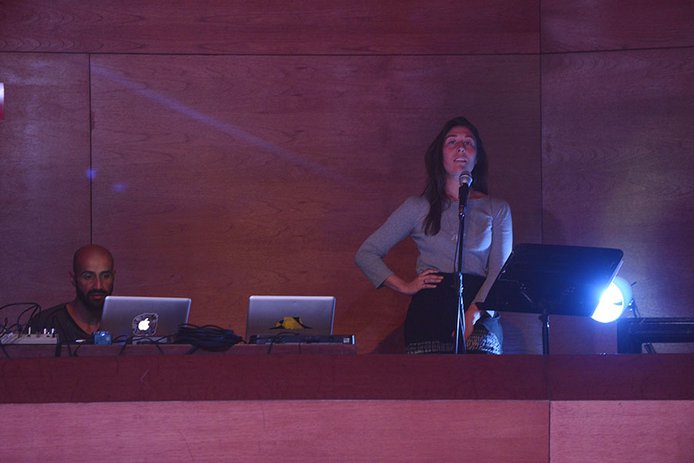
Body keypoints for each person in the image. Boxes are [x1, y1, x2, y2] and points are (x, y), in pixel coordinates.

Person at [355, 116, 512, 354]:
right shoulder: (418, 206)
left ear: (477, 156)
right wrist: (404, 286)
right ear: (440, 155)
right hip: (430, 310)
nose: (461, 147)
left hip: (479, 308)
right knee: (430, 377)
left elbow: (500, 269)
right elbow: (366, 254)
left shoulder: (496, 208)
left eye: (468, 142)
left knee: (480, 376)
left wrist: (473, 313)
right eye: (452, 142)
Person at [29, 244, 115, 343]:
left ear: (113, 277)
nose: (98, 286)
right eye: (88, 277)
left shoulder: (126, 322)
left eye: (106, 276)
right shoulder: (46, 322)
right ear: (73, 279)